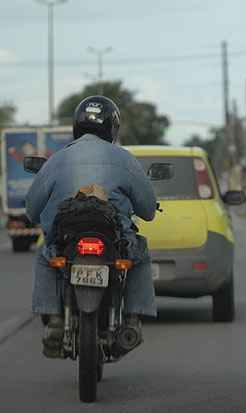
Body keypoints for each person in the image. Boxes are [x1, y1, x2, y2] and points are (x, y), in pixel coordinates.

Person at [25, 96, 158, 358]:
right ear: (112, 127)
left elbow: (31, 211)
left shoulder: (56, 160)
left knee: (45, 256)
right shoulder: (125, 159)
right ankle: (132, 321)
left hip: (67, 240)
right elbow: (148, 211)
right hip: (113, 240)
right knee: (139, 254)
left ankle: (53, 321)